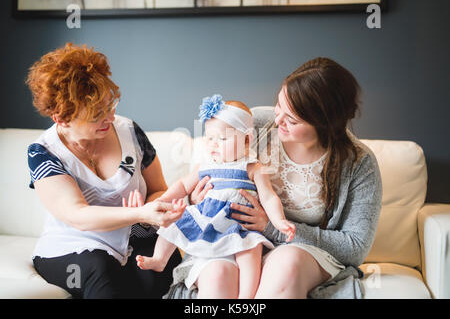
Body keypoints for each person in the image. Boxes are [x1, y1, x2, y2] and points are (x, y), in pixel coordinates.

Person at [165, 57, 383, 299]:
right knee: (217, 276)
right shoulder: (255, 125)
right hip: (233, 240)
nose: (278, 120)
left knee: (287, 263)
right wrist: (197, 198)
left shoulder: (358, 163)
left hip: (301, 251)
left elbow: (355, 247)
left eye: (292, 119)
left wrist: (272, 228)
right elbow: (209, 166)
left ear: (325, 125)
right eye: (279, 106)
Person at [26, 43, 186, 299]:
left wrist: (154, 212)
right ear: (61, 118)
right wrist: (136, 212)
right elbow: (78, 215)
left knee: (158, 274)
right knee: (100, 270)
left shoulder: (130, 131)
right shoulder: (43, 152)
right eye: (96, 114)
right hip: (73, 246)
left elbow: (158, 190)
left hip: (134, 238)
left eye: (110, 105)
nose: (110, 118)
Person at [125, 95, 295, 299]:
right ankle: (160, 258)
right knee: (174, 223)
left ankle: (247, 297)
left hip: (239, 225)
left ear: (247, 139)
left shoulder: (252, 167)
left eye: (223, 139)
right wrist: (161, 201)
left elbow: (269, 197)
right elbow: (182, 185)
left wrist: (279, 221)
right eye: (210, 138)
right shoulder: (205, 165)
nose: (214, 145)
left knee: (252, 249)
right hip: (207, 219)